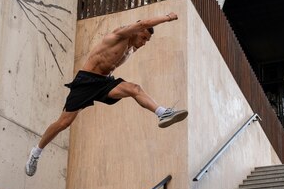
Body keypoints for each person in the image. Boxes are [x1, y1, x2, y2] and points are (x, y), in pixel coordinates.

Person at [25, 12, 187, 176]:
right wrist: (167, 18)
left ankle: (162, 113)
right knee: (63, 123)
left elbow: (119, 56)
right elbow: (142, 23)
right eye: (143, 38)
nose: (144, 43)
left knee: (134, 88)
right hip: (86, 82)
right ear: (137, 31)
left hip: (104, 83)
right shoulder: (119, 35)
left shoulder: (131, 49)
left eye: (147, 41)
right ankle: (36, 153)